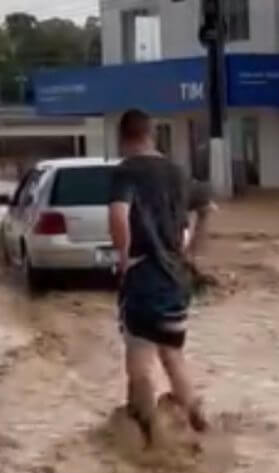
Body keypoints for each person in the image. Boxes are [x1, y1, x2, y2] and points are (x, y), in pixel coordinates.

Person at [108, 109, 208, 444]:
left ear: (123, 138)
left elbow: (119, 215)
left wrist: (123, 259)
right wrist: (190, 251)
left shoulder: (127, 171)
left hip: (144, 276)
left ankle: (149, 437)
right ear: (151, 134)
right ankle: (197, 419)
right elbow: (206, 208)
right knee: (172, 355)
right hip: (176, 279)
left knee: (139, 362)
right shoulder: (177, 172)